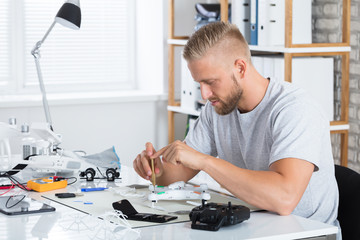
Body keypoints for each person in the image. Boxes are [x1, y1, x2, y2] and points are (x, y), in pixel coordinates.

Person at [133, 22, 339, 227]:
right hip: (256, 225)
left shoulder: (294, 109)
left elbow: (284, 199)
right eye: (199, 84)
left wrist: (205, 161)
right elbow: (177, 174)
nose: (204, 95)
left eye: (211, 82)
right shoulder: (217, 109)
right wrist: (154, 170)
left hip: (307, 232)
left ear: (240, 68)